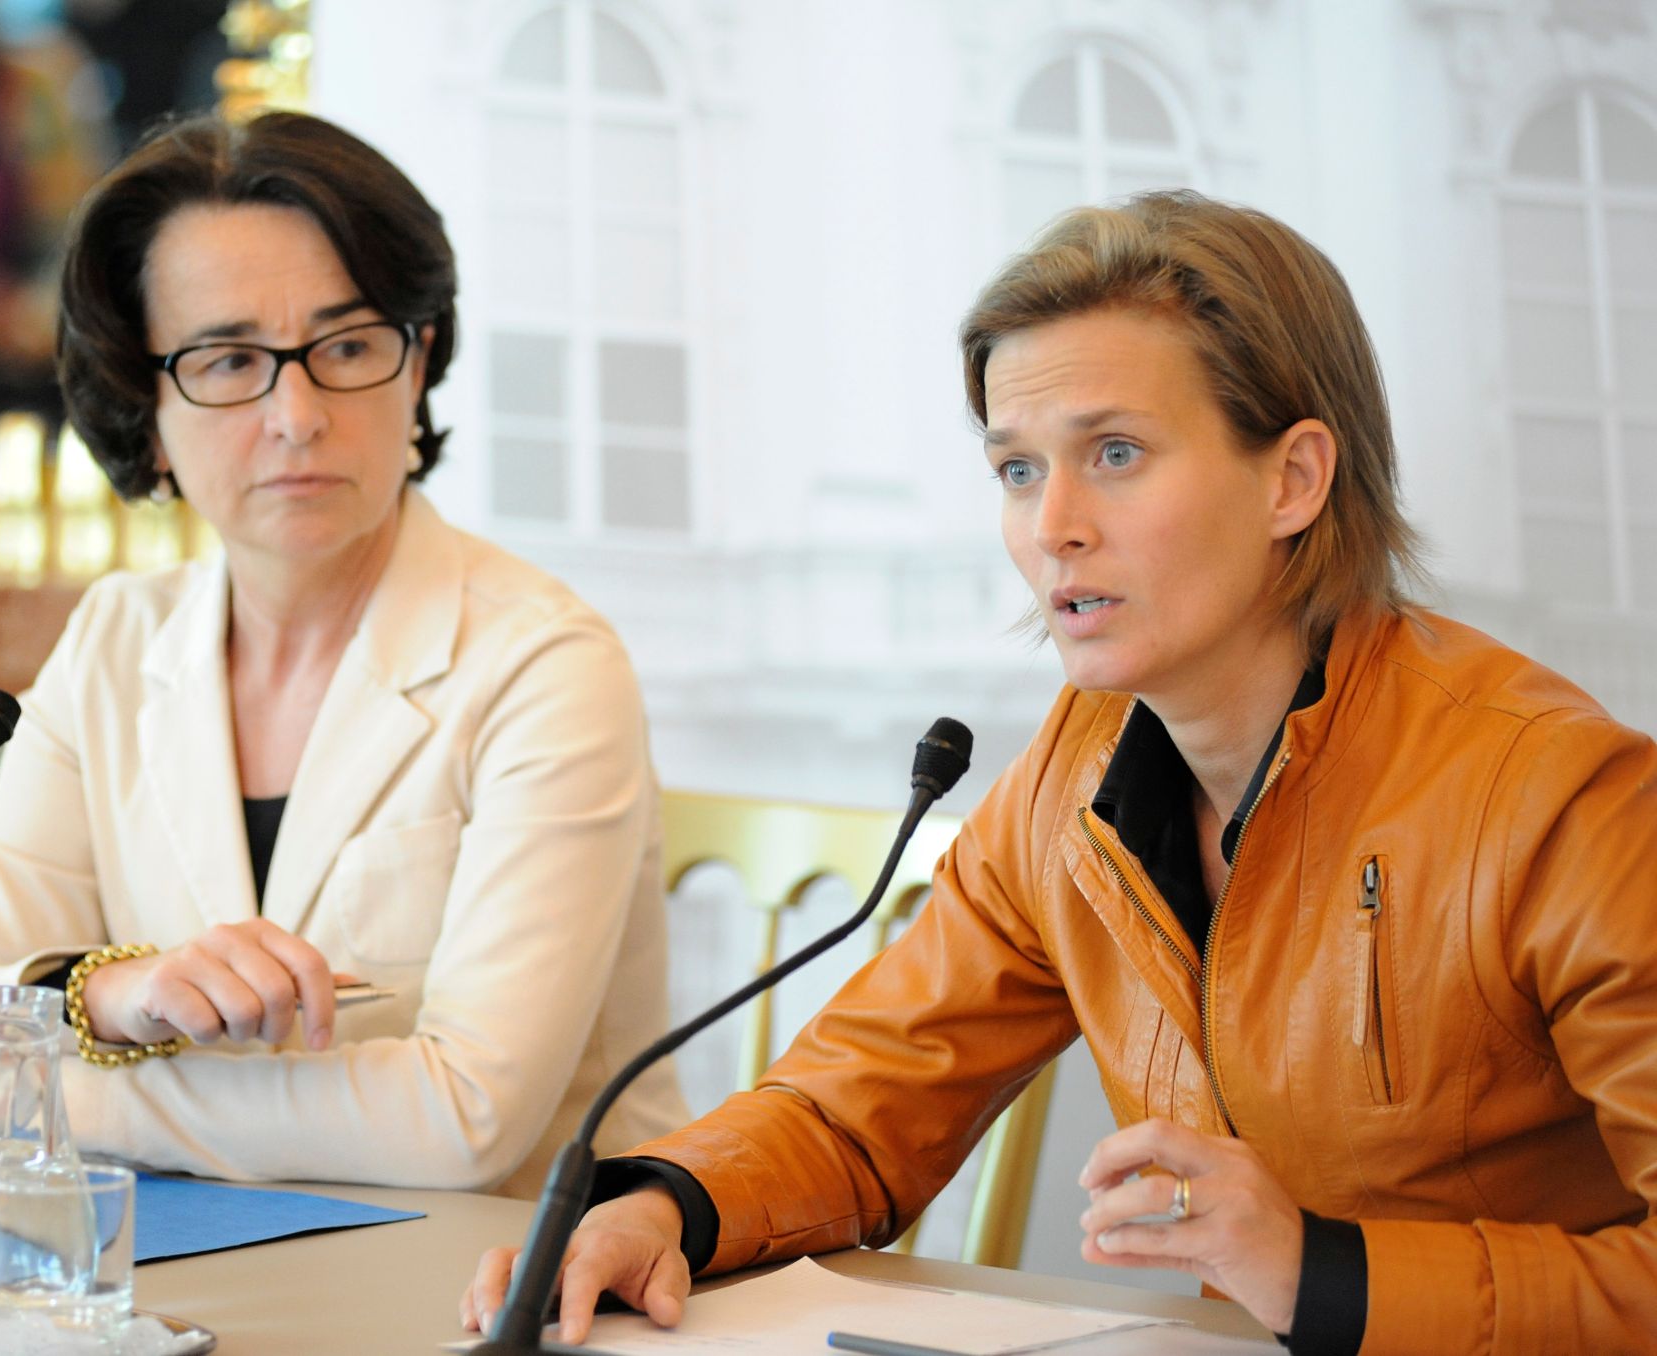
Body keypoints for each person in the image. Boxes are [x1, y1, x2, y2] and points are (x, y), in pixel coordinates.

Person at [461, 191, 1657, 1353]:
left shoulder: (1559, 798)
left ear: (1292, 479)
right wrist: (661, 1209)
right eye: (1018, 471)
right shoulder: (1065, 785)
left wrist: (1321, 1274)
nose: (1051, 527)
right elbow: (861, 1103)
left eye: (1115, 453)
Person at [0, 110, 688, 1194]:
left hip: (506, 1267)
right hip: (191, 1266)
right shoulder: (117, 641)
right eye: (228, 360)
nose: (297, 414)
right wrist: (108, 996)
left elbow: (464, 1121)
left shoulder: (544, 663)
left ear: (418, 363)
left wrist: (58, 1092)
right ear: (145, 404)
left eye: (347, 347)